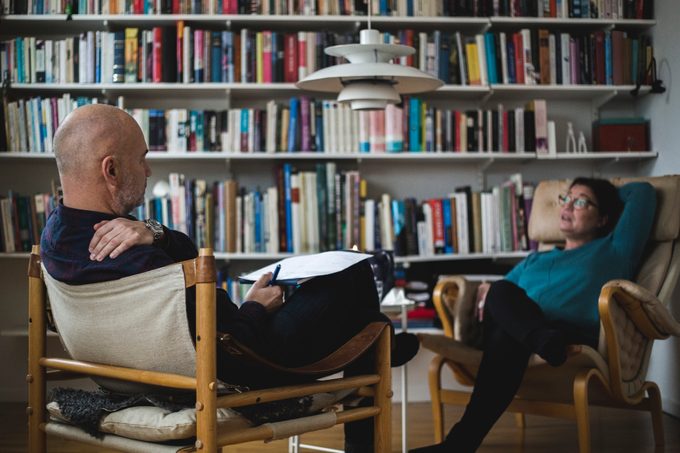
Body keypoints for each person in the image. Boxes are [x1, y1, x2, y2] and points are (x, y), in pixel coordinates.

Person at [40, 103, 418, 453]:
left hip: (137, 374)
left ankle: (376, 338)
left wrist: (155, 231)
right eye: (143, 160)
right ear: (112, 170)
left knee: (353, 304)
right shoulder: (138, 262)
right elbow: (235, 340)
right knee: (352, 270)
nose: (149, 171)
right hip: (239, 367)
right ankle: (376, 343)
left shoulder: (54, 237)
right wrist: (256, 305)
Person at [411, 177, 657, 453]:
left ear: (602, 219)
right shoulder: (535, 259)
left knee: (507, 333)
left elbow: (643, 193)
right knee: (501, 290)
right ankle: (541, 338)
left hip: (567, 332)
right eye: (566, 198)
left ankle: (459, 445)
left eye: (581, 202)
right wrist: (490, 295)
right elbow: (498, 297)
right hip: (543, 338)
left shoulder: (615, 249)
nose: (568, 206)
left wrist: (609, 190)